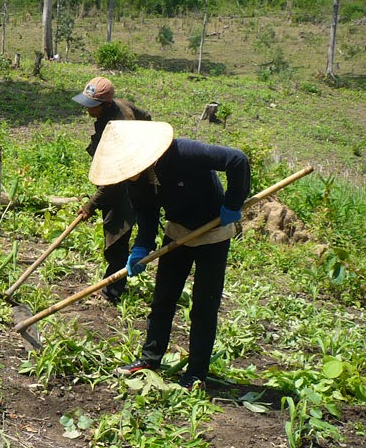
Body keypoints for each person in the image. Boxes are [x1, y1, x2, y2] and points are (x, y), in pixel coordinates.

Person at [88, 120, 250, 389]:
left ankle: (196, 372)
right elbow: (148, 213)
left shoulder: (183, 152)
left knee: (203, 306)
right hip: (177, 232)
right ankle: (150, 359)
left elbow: (237, 160)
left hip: (213, 232)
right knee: (163, 299)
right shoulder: (135, 180)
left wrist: (232, 204)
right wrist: (142, 247)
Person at [72, 76, 151, 303]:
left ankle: (113, 289)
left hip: (128, 183)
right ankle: (113, 281)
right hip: (120, 175)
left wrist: (92, 204)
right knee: (114, 230)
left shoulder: (119, 127)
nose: (86, 109)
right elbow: (147, 118)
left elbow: (114, 180)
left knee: (117, 234)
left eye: (91, 105)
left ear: (105, 104)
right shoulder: (119, 105)